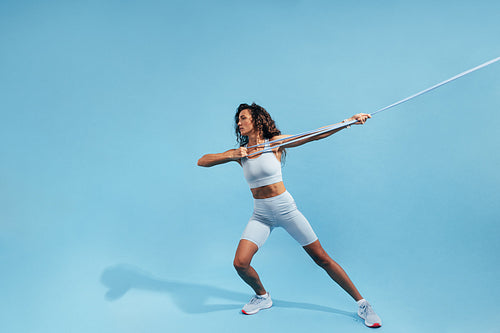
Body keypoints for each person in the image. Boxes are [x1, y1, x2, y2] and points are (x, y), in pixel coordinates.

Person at [197, 103, 382, 328]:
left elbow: (314, 135)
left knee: (321, 258)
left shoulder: (274, 143)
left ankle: (363, 303)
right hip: (261, 215)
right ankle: (263, 297)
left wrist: (348, 122)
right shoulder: (240, 154)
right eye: (238, 120)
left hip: (285, 210)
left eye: (243, 118)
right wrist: (232, 155)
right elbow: (202, 161)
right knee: (240, 263)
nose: (239, 123)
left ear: (256, 120)